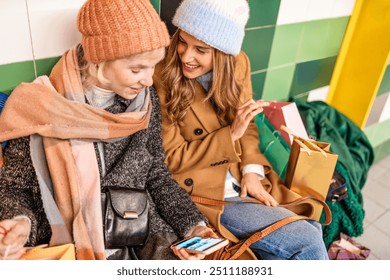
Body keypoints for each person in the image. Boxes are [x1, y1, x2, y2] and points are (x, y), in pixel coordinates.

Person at [0, 0, 216, 260]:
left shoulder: (145, 101)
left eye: (153, 66)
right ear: (100, 60)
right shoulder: (40, 107)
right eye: (136, 69)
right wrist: (21, 224)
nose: (148, 80)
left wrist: (194, 227)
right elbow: (15, 188)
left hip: (146, 237)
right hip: (76, 247)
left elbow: (157, 176)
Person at [153, 0, 329, 260]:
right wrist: (229, 135)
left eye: (200, 50)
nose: (186, 56)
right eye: (182, 41)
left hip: (239, 177)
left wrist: (252, 172)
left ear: (224, 53)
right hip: (204, 190)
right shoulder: (163, 74)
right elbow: (171, 160)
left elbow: (248, 126)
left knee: (311, 221)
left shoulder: (239, 64)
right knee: (307, 240)